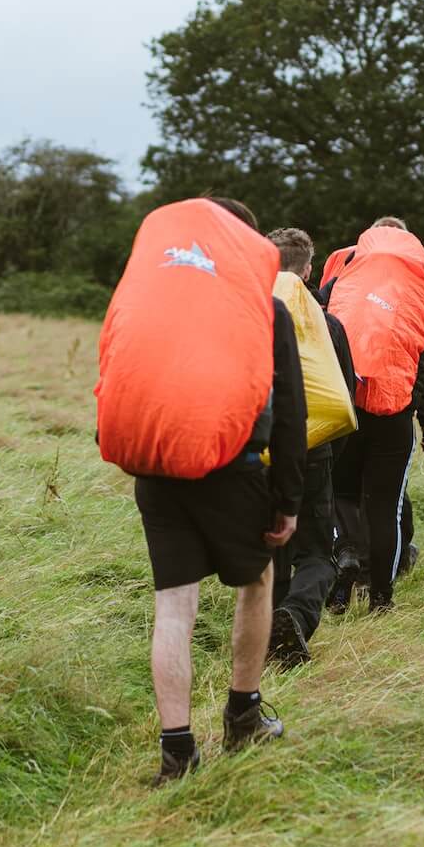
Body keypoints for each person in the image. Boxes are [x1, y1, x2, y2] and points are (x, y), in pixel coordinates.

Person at [94, 196, 306, 785]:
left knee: (174, 606)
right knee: (258, 579)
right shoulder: (264, 312)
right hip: (230, 469)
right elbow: (289, 412)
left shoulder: (154, 300)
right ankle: (243, 715)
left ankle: (177, 753)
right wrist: (288, 502)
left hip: (156, 472)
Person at [324, 217, 424, 613]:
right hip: (394, 412)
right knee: (386, 507)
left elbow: (320, 314)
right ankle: (381, 599)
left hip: (346, 406)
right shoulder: (417, 287)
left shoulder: (345, 277)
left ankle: (343, 571)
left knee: (341, 494)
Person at [265, 227, 358, 668]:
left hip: (259, 448)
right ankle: (296, 618)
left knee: (271, 547)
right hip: (314, 448)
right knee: (317, 552)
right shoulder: (329, 324)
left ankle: (267, 635)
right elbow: (344, 396)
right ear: (309, 269)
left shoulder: (249, 313)